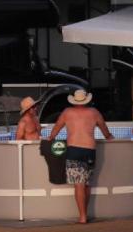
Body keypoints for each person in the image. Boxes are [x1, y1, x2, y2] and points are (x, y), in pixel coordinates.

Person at [49, 89, 114, 224]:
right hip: (90, 150)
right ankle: (85, 212)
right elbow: (105, 131)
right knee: (86, 184)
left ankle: (82, 217)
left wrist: (50, 138)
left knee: (79, 185)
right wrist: (109, 137)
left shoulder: (67, 112)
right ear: (86, 100)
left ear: (74, 100)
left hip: (74, 150)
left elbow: (56, 129)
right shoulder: (94, 113)